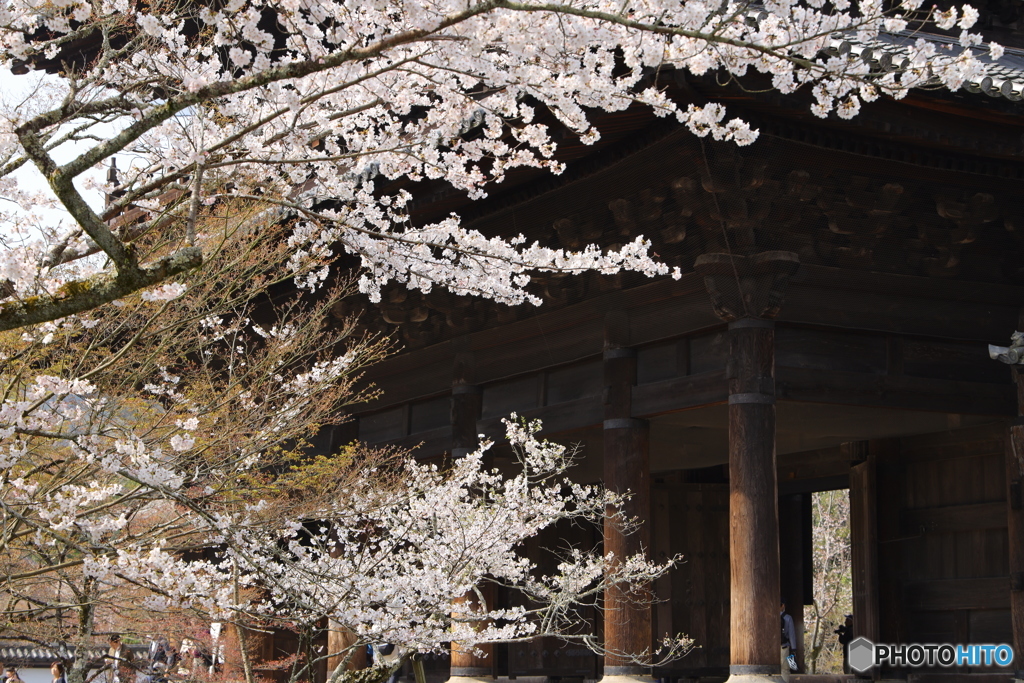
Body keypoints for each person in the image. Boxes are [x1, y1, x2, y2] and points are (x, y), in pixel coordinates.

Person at [780, 599, 797, 682]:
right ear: (783, 605)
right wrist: (794, 649)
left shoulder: (769, 616)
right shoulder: (788, 618)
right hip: (784, 647)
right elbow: (792, 635)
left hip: (771, 649)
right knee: (785, 670)